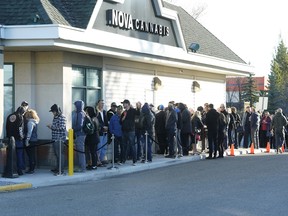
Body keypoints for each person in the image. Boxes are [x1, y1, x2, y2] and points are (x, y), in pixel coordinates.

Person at [47, 104, 66, 175]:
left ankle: (61, 169)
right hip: (55, 138)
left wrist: (52, 127)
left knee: (60, 154)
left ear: (57, 111)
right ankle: (58, 168)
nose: (53, 113)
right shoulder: (55, 117)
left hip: (60, 139)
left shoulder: (62, 117)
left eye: (53, 111)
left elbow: (62, 127)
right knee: (57, 154)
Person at [6, 106, 26, 175]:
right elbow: (20, 128)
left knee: (11, 155)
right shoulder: (20, 117)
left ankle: (12, 169)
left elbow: (7, 127)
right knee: (19, 155)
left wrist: (8, 136)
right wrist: (21, 137)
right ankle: (19, 170)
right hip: (18, 139)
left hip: (10, 139)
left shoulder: (9, 116)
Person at [120, 99, 137, 165]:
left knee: (132, 145)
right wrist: (123, 118)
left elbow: (138, 114)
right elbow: (120, 122)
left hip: (131, 130)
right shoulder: (124, 112)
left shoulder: (133, 111)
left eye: (124, 104)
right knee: (124, 146)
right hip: (124, 130)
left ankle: (134, 160)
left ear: (127, 104)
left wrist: (137, 107)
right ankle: (123, 160)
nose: (123, 105)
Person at [72, 100, 86, 172]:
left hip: (80, 135)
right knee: (79, 151)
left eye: (75, 105)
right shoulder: (80, 113)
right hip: (79, 134)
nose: (74, 107)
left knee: (80, 151)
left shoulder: (80, 114)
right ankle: (80, 166)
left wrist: (72, 129)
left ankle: (82, 167)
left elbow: (80, 125)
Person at [24, 109, 40, 174]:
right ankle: (32, 168)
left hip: (30, 140)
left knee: (30, 155)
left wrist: (27, 140)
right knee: (32, 155)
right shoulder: (35, 122)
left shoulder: (30, 123)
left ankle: (31, 169)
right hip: (34, 140)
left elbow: (29, 133)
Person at [84, 106, 100, 170]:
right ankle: (93, 164)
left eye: (87, 112)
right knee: (93, 152)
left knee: (93, 152)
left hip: (92, 138)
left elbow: (90, 129)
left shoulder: (91, 119)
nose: (86, 113)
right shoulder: (95, 118)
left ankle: (94, 165)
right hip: (95, 137)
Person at [96, 99, 109, 164]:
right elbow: (96, 122)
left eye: (103, 103)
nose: (102, 105)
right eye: (101, 103)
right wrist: (102, 127)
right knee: (99, 146)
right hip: (100, 132)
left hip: (105, 132)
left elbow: (106, 121)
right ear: (98, 104)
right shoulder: (96, 112)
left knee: (104, 147)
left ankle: (102, 159)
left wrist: (107, 127)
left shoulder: (104, 112)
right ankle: (98, 160)